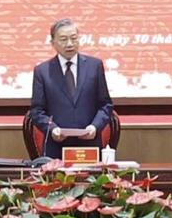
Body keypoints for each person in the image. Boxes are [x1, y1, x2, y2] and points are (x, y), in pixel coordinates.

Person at [26, 19, 115, 159]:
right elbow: (37, 111)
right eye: (63, 39)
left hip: (89, 145)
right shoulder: (42, 71)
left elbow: (105, 105)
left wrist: (94, 127)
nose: (69, 44)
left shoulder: (94, 66)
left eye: (74, 38)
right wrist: (52, 129)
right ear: (53, 43)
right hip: (56, 148)